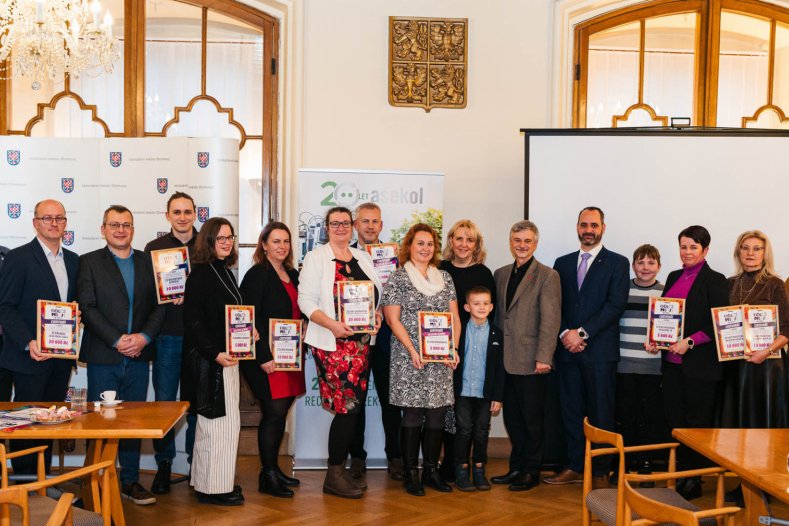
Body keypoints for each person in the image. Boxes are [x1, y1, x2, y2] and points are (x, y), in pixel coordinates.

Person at [77, 205, 164, 506]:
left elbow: (160, 305)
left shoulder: (148, 262)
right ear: (103, 229)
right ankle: (95, 480)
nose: (120, 230)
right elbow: (86, 307)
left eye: (126, 224)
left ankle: (130, 481)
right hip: (104, 354)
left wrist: (143, 337)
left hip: (139, 355)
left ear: (133, 229)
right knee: (100, 422)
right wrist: (117, 340)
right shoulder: (88, 262)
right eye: (114, 224)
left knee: (131, 422)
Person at [298, 206, 382, 499]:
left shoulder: (362, 256)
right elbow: (305, 301)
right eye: (335, 223)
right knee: (347, 409)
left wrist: (378, 315)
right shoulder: (316, 258)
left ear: (353, 226)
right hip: (334, 346)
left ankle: (338, 471)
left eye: (346, 223)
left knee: (353, 410)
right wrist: (332, 325)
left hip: (361, 347)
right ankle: (334, 474)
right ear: (327, 227)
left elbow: (375, 295)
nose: (341, 227)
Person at [546, 207, 629, 489]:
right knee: (571, 411)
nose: (588, 229)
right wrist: (563, 334)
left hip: (600, 354)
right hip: (567, 352)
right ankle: (574, 465)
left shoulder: (618, 263)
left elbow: (615, 305)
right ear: (577, 227)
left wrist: (581, 333)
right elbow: (554, 305)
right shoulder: (562, 263)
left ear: (603, 227)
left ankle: (601, 471)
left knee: (601, 413)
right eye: (584, 224)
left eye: (594, 224)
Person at [648, 225, 727, 500]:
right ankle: (681, 475)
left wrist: (690, 341)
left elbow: (715, 323)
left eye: (694, 246)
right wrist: (655, 339)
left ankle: (693, 479)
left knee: (696, 425)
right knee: (676, 422)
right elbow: (665, 317)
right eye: (683, 246)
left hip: (700, 366)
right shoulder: (672, 276)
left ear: (705, 250)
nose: (687, 251)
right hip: (671, 364)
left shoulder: (716, 280)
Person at [382, 223, 460, 497]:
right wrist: (414, 350)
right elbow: (392, 319)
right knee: (413, 413)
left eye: (430, 244)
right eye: (420, 243)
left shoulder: (445, 278)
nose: (425, 248)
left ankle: (431, 470)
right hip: (409, 357)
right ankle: (410, 472)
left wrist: (454, 348)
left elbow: (455, 318)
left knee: (438, 413)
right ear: (409, 246)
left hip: (440, 358)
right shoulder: (398, 279)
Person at [0, 199, 78, 474]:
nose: (54, 223)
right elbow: (5, 307)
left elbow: (73, 304)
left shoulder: (73, 259)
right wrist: (27, 341)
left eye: (59, 218)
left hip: (59, 359)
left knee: (50, 424)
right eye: (47, 218)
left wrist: (76, 320)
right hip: (27, 359)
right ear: (35, 223)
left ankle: (43, 482)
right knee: (26, 426)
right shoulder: (18, 258)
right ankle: (25, 484)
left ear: (66, 223)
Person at [183, 217, 250, 506]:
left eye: (229, 237)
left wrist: (251, 329)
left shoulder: (225, 271)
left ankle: (205, 482)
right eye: (220, 238)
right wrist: (214, 353)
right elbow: (194, 321)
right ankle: (215, 489)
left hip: (228, 359)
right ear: (208, 241)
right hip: (213, 361)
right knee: (219, 426)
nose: (226, 242)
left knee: (215, 426)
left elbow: (232, 315)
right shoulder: (200, 274)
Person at [490, 220, 561, 492]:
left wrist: (544, 356)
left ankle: (531, 470)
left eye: (527, 241)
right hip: (505, 360)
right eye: (517, 240)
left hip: (533, 360)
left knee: (532, 421)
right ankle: (516, 467)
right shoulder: (501, 273)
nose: (522, 245)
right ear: (511, 242)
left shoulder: (547, 275)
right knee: (513, 421)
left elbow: (550, 320)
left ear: (535, 243)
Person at [720, 230, 789, 505]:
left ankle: (767, 484)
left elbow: (786, 329)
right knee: (740, 426)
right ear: (738, 253)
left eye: (757, 248)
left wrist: (765, 352)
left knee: (764, 427)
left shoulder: (775, 285)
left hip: (767, 368)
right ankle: (744, 483)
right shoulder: (729, 283)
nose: (750, 253)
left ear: (764, 252)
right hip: (736, 367)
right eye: (745, 248)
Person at [239, 222, 306, 498]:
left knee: (280, 412)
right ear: (264, 244)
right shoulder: (257, 274)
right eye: (275, 241)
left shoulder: (292, 273)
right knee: (274, 413)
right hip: (265, 357)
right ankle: (267, 476)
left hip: (289, 354)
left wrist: (303, 323)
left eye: (286, 241)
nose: (282, 246)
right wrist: (263, 356)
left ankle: (273, 468)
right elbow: (248, 317)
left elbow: (300, 308)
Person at [143, 191, 198, 494]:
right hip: (166, 335)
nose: (182, 217)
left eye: (187, 211)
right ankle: (164, 464)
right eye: (176, 212)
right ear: (167, 216)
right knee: (165, 403)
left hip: (199, 340)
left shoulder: (205, 244)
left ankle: (195, 465)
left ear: (194, 214)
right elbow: (146, 294)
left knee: (196, 405)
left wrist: (193, 295)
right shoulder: (154, 248)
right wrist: (166, 293)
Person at [348, 202, 403, 481]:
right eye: (364, 221)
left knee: (390, 401)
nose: (370, 226)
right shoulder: (344, 255)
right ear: (355, 225)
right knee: (355, 402)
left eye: (375, 222)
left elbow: (399, 295)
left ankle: (395, 457)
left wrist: (383, 310)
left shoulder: (393, 257)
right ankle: (357, 457)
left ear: (382, 226)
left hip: (386, 340)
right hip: (354, 340)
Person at [438, 219, 496, 481]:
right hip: (439, 346)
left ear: (476, 245)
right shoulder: (439, 269)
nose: (463, 244)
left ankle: (466, 464)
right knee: (449, 412)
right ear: (451, 241)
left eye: (469, 240)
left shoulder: (484, 274)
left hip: (470, 350)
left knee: (468, 416)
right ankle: (450, 463)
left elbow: (489, 320)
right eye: (459, 238)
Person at [615, 244, 665, 480]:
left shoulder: (666, 294)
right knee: (625, 415)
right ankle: (624, 461)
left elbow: (671, 331)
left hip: (652, 367)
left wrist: (661, 343)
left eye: (651, 263)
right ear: (633, 266)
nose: (645, 268)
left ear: (659, 267)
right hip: (623, 364)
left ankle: (645, 460)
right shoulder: (622, 290)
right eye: (640, 262)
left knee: (648, 416)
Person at [452, 286, 504, 492]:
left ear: (491, 307)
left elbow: (500, 369)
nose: (481, 307)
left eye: (485, 303)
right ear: (466, 307)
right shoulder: (459, 331)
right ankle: (462, 469)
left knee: (482, 432)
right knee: (463, 431)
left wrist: (498, 397)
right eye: (476, 303)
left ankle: (480, 468)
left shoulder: (497, 334)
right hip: (462, 392)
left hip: (485, 394)